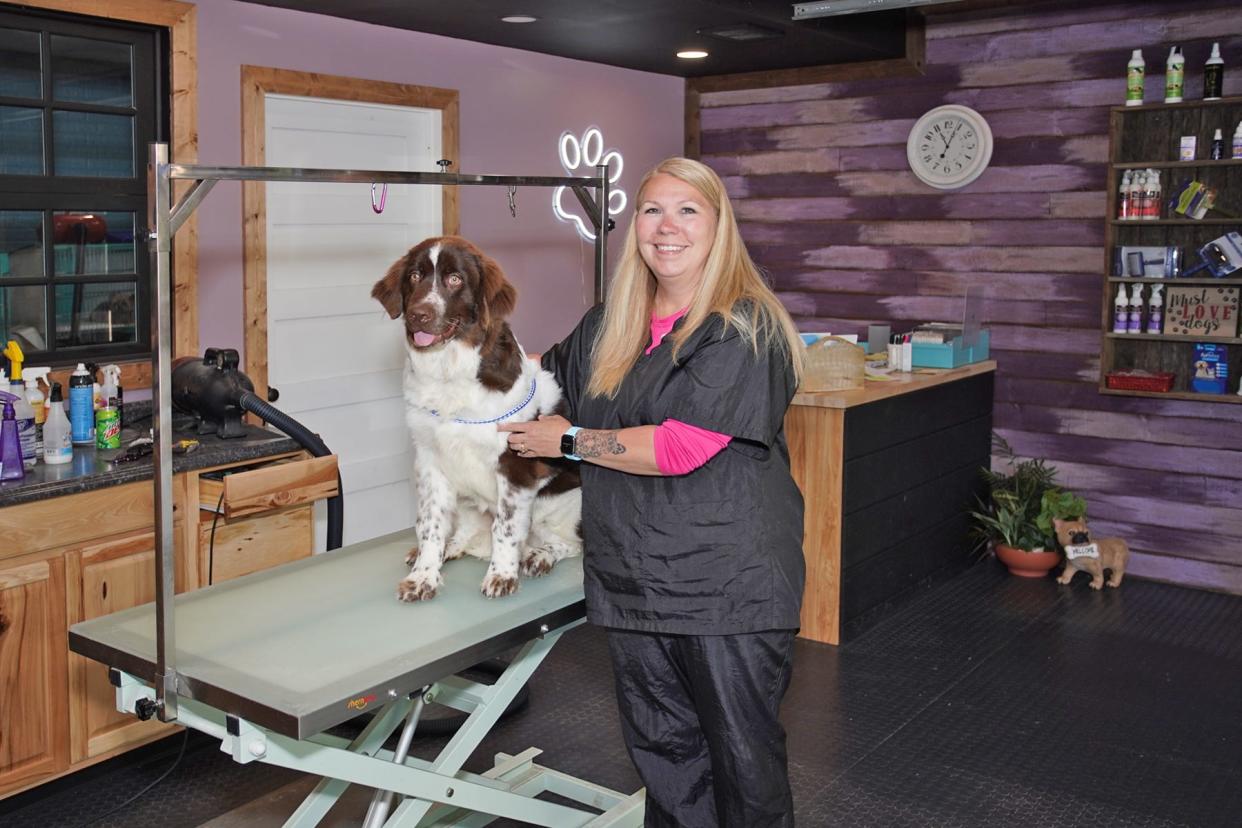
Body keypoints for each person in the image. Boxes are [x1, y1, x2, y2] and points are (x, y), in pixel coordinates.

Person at [498, 157, 806, 827]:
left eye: (687, 210)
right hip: (636, 584)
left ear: (719, 226)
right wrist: (464, 356)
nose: (666, 227)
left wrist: (569, 442)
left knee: (742, 768)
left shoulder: (742, 326)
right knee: (665, 762)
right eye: (651, 211)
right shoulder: (612, 323)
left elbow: (678, 446)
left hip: (727, 588)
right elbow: (537, 388)